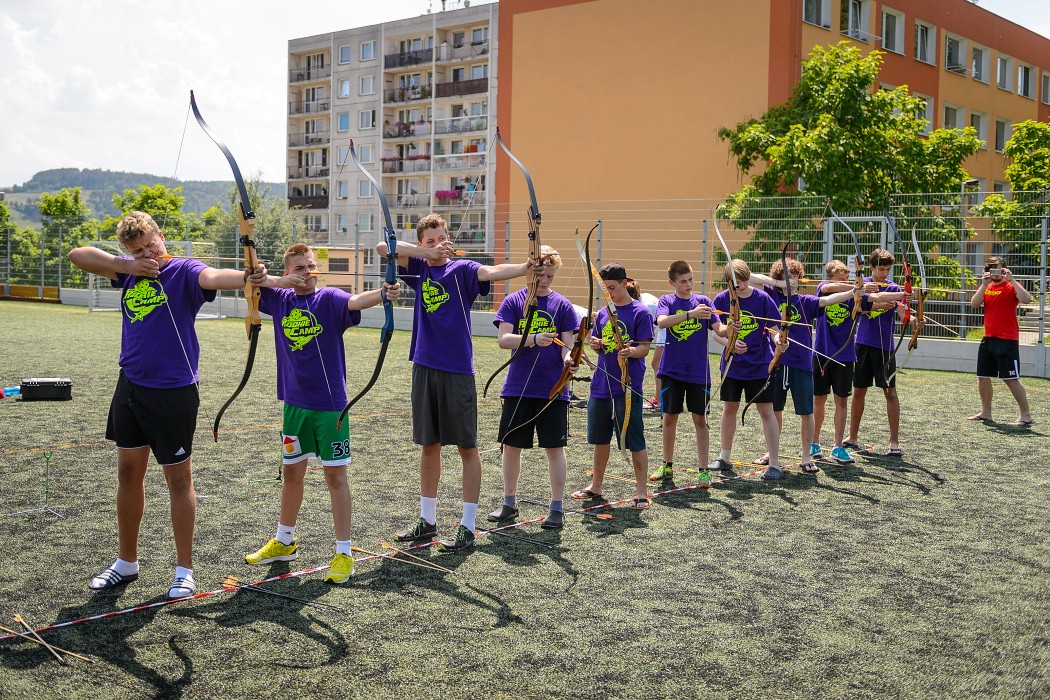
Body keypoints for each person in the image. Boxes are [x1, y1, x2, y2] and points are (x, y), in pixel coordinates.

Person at [68, 211, 258, 600]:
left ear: (161, 235)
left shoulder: (183, 270)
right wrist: (129, 265)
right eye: (137, 250)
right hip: (130, 387)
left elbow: (212, 277)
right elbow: (78, 255)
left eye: (150, 245)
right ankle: (126, 562)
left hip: (173, 392)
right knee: (127, 474)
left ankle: (184, 571)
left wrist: (247, 276)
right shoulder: (129, 271)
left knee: (178, 480)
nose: (147, 254)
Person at [241, 243, 400, 584]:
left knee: (335, 478)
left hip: (330, 407)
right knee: (292, 474)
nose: (307, 272)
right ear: (288, 271)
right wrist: (268, 276)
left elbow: (355, 301)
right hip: (294, 405)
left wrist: (383, 293)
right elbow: (253, 284)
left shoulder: (328, 298)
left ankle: (344, 553)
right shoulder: (280, 299)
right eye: (299, 267)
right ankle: (284, 541)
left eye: (311, 265)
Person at [382, 213, 533, 552]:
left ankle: (467, 525)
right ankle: (427, 520)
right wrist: (427, 255)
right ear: (421, 244)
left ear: (449, 239)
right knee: (429, 444)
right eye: (430, 241)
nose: (438, 245)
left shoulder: (462, 269)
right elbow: (384, 247)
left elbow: (492, 271)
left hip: (458, 369)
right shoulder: (419, 268)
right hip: (424, 365)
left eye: (442, 239)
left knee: (467, 446)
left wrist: (526, 267)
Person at [487, 245, 578, 529]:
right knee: (511, 445)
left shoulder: (563, 306)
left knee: (554, 447)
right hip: (517, 387)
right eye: (541, 275)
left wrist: (569, 360)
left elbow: (568, 345)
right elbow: (504, 340)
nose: (545, 281)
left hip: (553, 390)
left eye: (550, 276)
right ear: (530, 273)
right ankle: (509, 503)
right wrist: (533, 339)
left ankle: (557, 508)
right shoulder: (514, 301)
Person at [748, 258, 857, 473]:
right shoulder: (770, 297)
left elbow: (827, 300)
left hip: (802, 363)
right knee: (775, 409)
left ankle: (806, 457)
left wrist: (853, 292)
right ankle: (772, 453)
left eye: (795, 276)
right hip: (777, 363)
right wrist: (778, 284)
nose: (793, 280)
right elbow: (747, 277)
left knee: (806, 411)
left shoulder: (805, 301)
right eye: (787, 277)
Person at [571, 263, 654, 507]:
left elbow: (645, 348)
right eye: (606, 289)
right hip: (601, 384)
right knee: (600, 438)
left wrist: (631, 351)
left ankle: (641, 492)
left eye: (613, 288)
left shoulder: (640, 312)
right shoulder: (604, 312)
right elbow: (600, 347)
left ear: (624, 283)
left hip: (627, 385)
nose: (610, 293)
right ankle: (596, 485)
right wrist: (595, 344)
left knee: (634, 438)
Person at [647, 260, 731, 486]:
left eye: (691, 280)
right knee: (669, 418)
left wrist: (732, 327)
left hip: (698, 373)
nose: (688, 284)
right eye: (683, 281)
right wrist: (690, 314)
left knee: (700, 419)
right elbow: (662, 322)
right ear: (672, 282)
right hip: (672, 370)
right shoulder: (667, 301)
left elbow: (720, 329)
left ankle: (703, 471)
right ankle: (667, 466)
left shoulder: (704, 302)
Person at [708, 259, 788, 480]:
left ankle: (774, 464)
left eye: (743, 281)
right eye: (735, 283)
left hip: (760, 365)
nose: (740, 287)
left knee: (766, 411)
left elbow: (774, 329)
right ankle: (724, 457)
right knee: (729, 408)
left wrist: (778, 341)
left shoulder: (762, 298)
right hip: (732, 365)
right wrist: (729, 343)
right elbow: (716, 332)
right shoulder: (722, 299)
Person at [843, 249, 917, 457]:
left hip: (885, 349)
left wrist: (914, 321)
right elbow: (860, 306)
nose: (884, 273)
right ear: (872, 267)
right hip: (862, 344)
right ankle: (852, 436)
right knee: (859, 390)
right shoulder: (863, 284)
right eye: (881, 269)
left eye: (887, 270)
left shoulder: (893, 287)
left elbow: (903, 312)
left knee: (890, 391)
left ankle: (894, 441)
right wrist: (880, 303)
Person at [968, 256, 1034, 426]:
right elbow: (974, 304)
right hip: (988, 338)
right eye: (991, 270)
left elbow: (1027, 299)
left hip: (1007, 340)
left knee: (1011, 379)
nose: (995, 273)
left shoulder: (1011, 285)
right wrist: (983, 285)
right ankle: (986, 413)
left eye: (998, 269)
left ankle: (1026, 415)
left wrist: (1011, 280)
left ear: (1004, 269)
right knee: (983, 376)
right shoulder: (987, 286)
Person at [627, 281, 663, 410]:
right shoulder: (644, 298)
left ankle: (660, 400)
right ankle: (659, 399)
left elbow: (647, 331)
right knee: (657, 364)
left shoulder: (645, 306)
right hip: (661, 330)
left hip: (665, 331)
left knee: (658, 365)